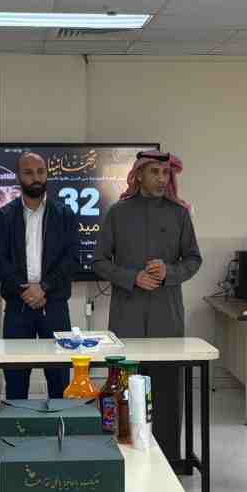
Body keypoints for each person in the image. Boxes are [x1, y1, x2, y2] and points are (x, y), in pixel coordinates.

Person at [93, 150, 202, 462]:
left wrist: (169, 272)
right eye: (154, 172)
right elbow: (99, 261)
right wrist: (132, 277)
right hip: (127, 317)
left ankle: (168, 459)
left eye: (165, 173)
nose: (161, 179)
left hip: (166, 317)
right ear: (138, 175)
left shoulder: (179, 214)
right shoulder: (118, 213)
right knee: (123, 390)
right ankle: (123, 457)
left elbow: (193, 259)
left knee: (166, 390)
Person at [0, 151, 77, 400]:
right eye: (28, 173)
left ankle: (58, 425)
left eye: (40, 172)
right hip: (18, 306)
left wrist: (44, 287)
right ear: (19, 177)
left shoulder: (64, 214)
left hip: (55, 305)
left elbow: (72, 259)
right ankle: (18, 425)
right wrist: (24, 289)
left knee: (59, 380)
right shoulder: (5, 216)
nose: (36, 178)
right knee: (16, 381)